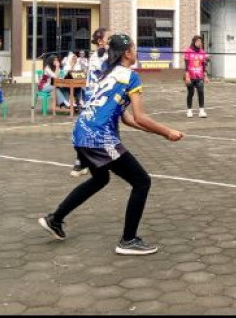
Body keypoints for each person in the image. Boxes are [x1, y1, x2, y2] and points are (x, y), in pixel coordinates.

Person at [38, 34, 185, 255]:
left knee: (100, 178)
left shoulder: (105, 75)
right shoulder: (131, 77)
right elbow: (141, 116)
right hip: (99, 138)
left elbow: (128, 119)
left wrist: (160, 135)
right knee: (142, 181)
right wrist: (167, 132)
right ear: (127, 53)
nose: (136, 52)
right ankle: (128, 240)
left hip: (80, 133)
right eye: (135, 49)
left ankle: (55, 219)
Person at [71, 27, 110, 177]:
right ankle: (84, 161)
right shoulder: (101, 56)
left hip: (93, 96)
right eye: (109, 38)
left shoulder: (99, 55)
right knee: (96, 127)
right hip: (97, 97)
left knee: (90, 127)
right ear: (100, 41)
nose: (111, 40)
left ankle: (81, 162)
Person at [184, 35, 209, 118]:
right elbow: (186, 66)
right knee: (190, 93)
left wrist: (205, 76)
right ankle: (189, 111)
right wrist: (187, 76)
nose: (199, 43)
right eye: (197, 41)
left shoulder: (202, 52)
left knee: (201, 92)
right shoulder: (188, 51)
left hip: (199, 76)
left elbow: (204, 65)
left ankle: (201, 111)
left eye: (200, 42)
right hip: (190, 76)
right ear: (194, 42)